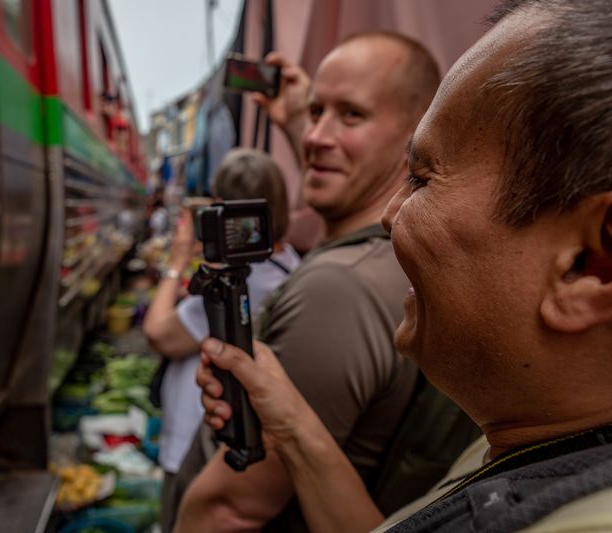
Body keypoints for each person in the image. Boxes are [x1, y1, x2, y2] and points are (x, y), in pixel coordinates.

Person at [195, 0, 612, 531]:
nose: (391, 216)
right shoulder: (542, 443)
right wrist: (296, 431)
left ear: (589, 265)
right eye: (316, 114)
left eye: (420, 177)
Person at [173, 32, 468, 532]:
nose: (315, 137)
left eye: (351, 114)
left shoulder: (337, 290)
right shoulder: (401, 254)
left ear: (420, 134)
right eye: (315, 114)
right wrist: (297, 116)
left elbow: (233, 507)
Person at [143, 148, 301, 532]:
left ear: (222, 209)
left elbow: (159, 333)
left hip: (198, 444)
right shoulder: (288, 263)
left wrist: (177, 262)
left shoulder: (248, 279)